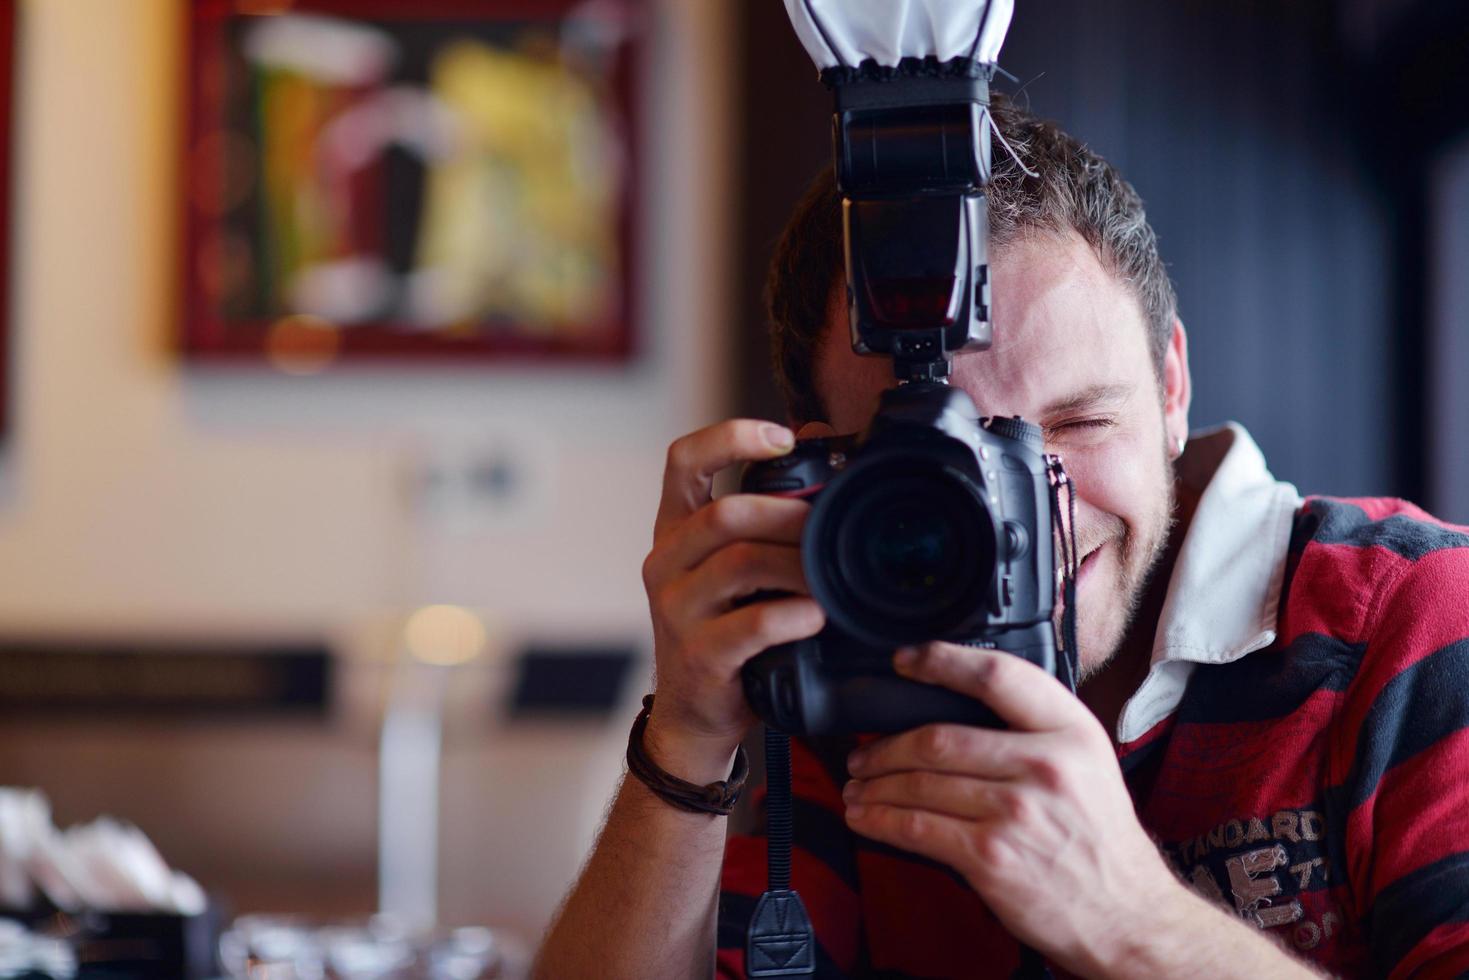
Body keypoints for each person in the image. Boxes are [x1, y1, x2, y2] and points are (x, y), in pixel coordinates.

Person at [533, 95, 1469, 979]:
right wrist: (687, 738)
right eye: (942, 467)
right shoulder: (848, 660)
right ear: (823, 466)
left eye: (1075, 426)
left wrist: (1135, 921)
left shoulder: (1415, 616)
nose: (1025, 522)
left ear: (1171, 387)